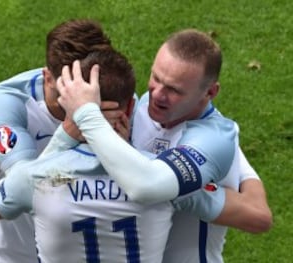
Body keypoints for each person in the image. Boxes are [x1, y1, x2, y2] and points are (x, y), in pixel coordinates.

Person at [53, 29, 272, 262]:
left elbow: (259, 218)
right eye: (155, 78)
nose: (157, 94)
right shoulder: (148, 105)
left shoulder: (213, 140)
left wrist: (177, 189)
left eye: (174, 90)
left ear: (210, 92)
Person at [0, 49, 178, 262]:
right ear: (131, 106)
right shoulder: (163, 175)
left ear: (69, 102)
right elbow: (212, 211)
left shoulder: (38, 178)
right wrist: (126, 146)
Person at [0, 19, 125, 263]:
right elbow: (26, 188)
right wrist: (70, 132)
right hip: (6, 254)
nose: (80, 101)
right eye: (68, 90)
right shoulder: (6, 104)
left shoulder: (109, 98)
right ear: (48, 77)